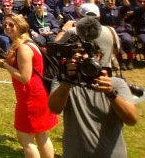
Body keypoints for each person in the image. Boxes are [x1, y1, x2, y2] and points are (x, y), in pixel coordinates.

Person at [48, 16, 139, 157]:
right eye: (74, 53)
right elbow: (54, 109)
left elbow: (131, 119)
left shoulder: (115, 83)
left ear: (97, 56)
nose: (77, 56)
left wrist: (111, 93)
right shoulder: (63, 80)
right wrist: (67, 81)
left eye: (83, 52)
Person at [0, 14, 57, 158]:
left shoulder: (24, 48)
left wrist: (4, 64)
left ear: (21, 26)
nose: (7, 27)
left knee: (25, 138)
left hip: (31, 96)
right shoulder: (27, 43)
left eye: (11, 25)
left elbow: (24, 78)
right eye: (5, 24)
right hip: (38, 93)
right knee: (41, 134)